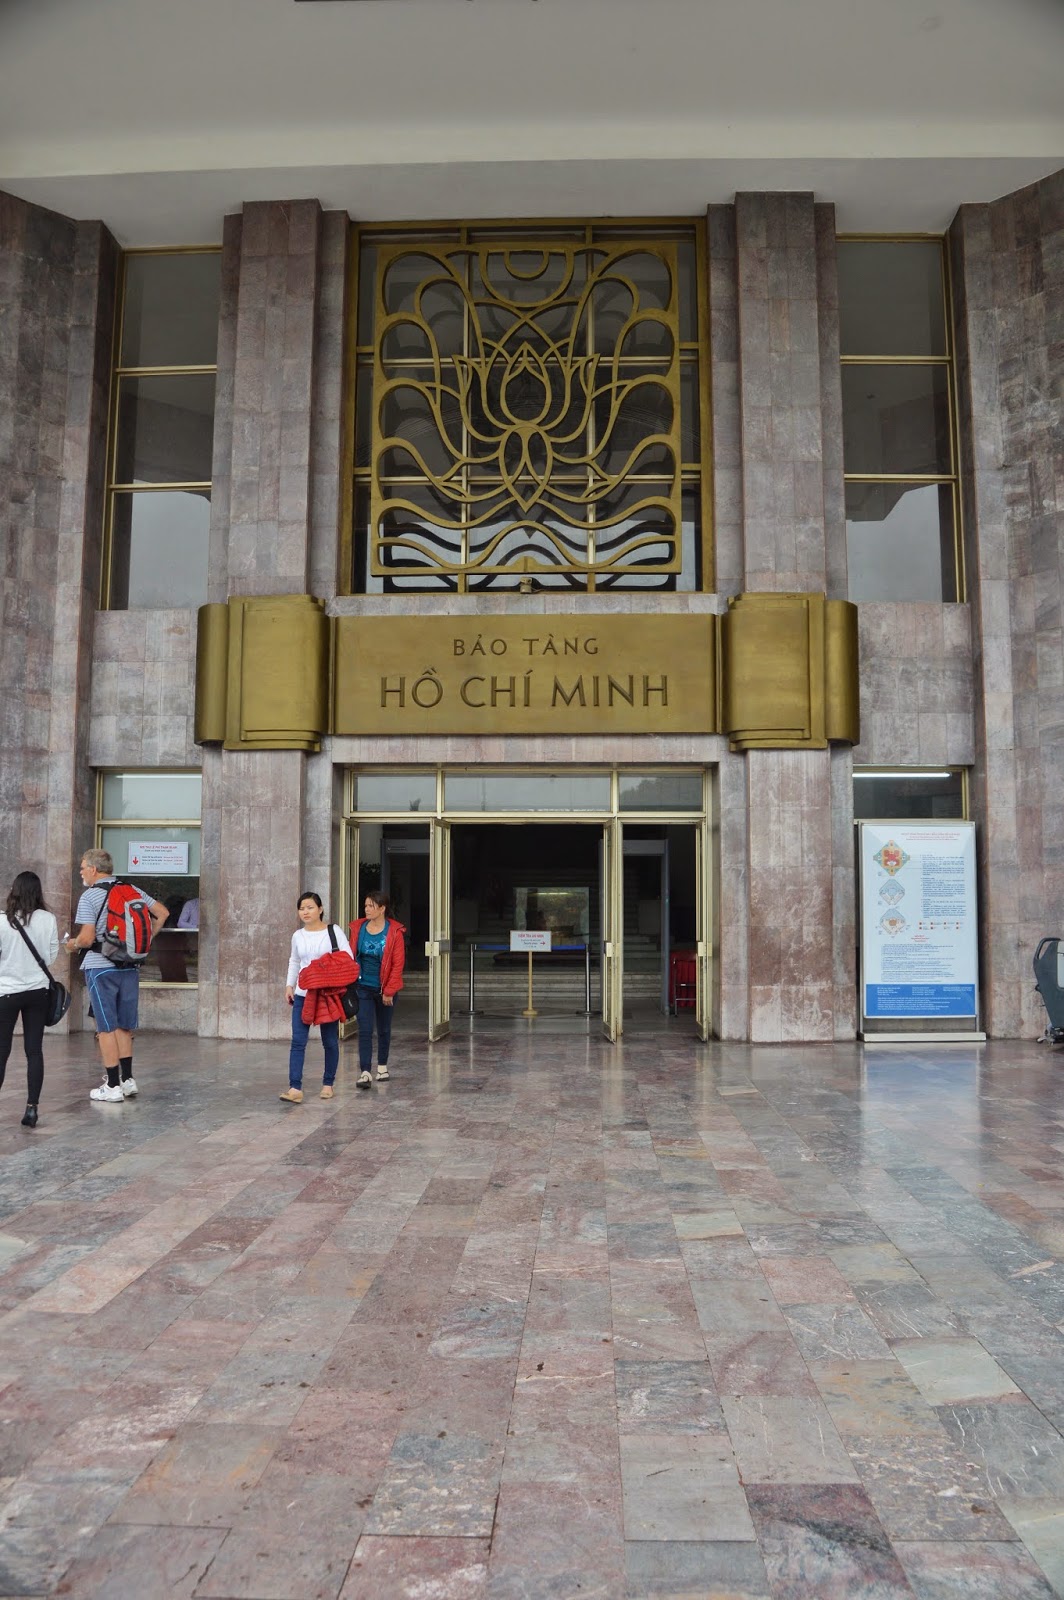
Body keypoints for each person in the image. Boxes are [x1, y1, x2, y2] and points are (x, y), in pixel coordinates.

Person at [65, 849, 168, 1103]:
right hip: (130, 966)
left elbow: (87, 938)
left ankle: (112, 1085)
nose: (81, 872)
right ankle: (128, 1080)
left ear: (93, 869)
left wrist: (72, 945)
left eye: (82, 867)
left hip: (101, 968)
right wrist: (143, 942)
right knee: (124, 1024)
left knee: (105, 1028)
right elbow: (162, 913)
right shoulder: (132, 890)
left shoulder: (90, 896)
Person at [281, 892, 354, 1104]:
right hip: (303, 994)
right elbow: (294, 961)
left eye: (310, 907)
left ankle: (328, 1084)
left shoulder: (334, 931)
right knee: (298, 1040)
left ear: (320, 909)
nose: (305, 912)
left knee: (329, 1040)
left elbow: (347, 958)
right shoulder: (298, 935)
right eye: (302, 908)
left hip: (326, 994)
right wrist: (289, 985)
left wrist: (322, 968)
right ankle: (295, 1088)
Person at [0, 871, 59, 1128]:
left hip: (6, 991)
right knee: (34, 1050)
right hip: (38, 991)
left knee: (2, 1050)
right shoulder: (48, 919)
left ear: (14, 890)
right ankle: (32, 1108)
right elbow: (52, 956)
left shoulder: (2, 921)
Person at [349, 890, 406, 1089]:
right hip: (362, 987)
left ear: (382, 909)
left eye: (371, 906)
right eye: (365, 905)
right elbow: (351, 955)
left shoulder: (394, 931)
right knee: (364, 1029)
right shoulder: (358, 928)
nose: (367, 909)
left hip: (384, 988)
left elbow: (397, 964)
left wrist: (389, 990)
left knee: (383, 1028)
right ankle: (365, 1072)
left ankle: (382, 1066)